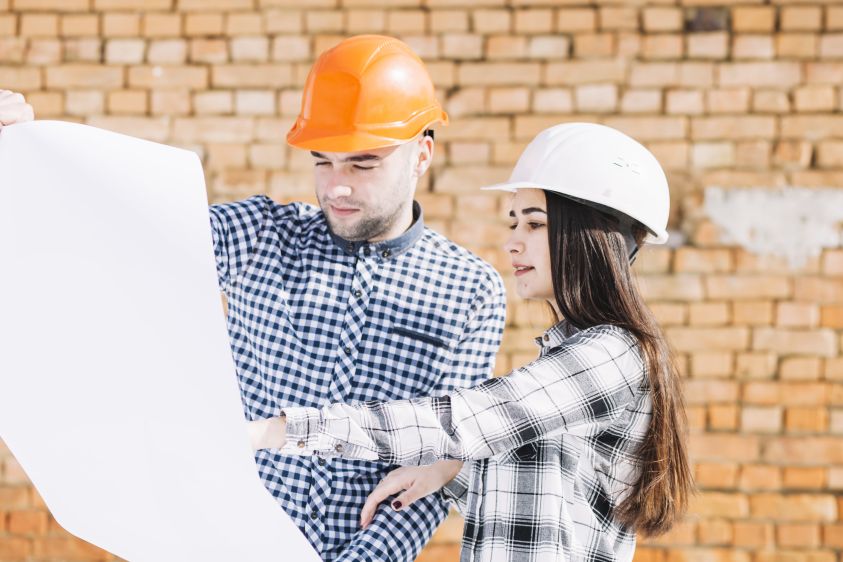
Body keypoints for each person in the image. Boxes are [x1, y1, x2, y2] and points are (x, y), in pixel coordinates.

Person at [0, 35, 507, 562]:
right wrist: (30, 156)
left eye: (362, 164)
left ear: (421, 153)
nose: (336, 187)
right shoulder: (263, 235)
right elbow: (127, 232)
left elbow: (431, 468)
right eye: (322, 162)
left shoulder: (470, 291)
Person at [249, 123, 695, 562]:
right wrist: (450, 471)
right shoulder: (571, 356)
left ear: (593, 237)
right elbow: (542, 487)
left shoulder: (609, 357)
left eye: (535, 224)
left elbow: (463, 419)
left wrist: (278, 430)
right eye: (514, 222)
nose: (512, 243)